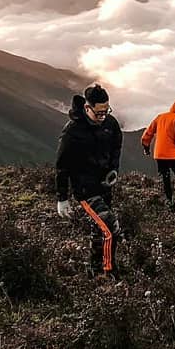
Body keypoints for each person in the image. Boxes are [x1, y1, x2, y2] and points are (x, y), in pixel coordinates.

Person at [55, 83, 125, 279]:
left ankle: (94, 271)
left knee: (100, 229)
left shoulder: (110, 124)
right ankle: (109, 273)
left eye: (106, 111)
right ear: (87, 108)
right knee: (111, 228)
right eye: (99, 112)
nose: (104, 116)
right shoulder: (73, 131)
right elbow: (62, 165)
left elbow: (116, 147)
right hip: (86, 189)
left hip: (104, 185)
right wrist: (62, 198)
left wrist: (113, 170)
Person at [141, 99, 175, 208]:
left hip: (159, 154)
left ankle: (169, 200)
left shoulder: (160, 117)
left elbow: (147, 134)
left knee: (166, 177)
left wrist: (146, 147)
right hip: (173, 155)